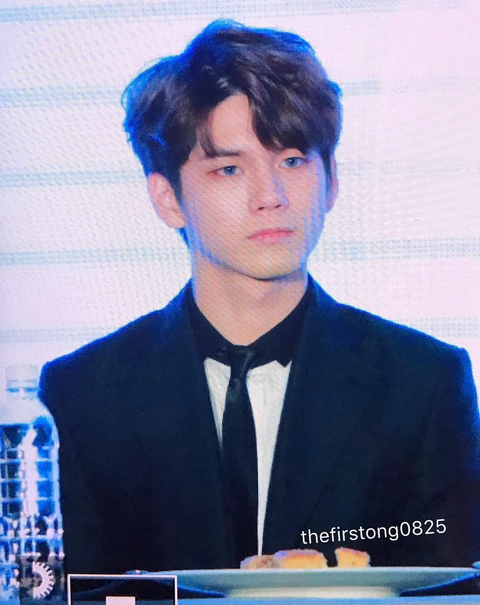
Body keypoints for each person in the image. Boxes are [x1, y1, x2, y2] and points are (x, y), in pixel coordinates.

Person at [39, 20, 480, 575]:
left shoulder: (423, 384)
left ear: (331, 180)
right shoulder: (83, 395)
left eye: (292, 160)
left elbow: (448, 585)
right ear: (167, 199)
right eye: (229, 169)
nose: (269, 196)